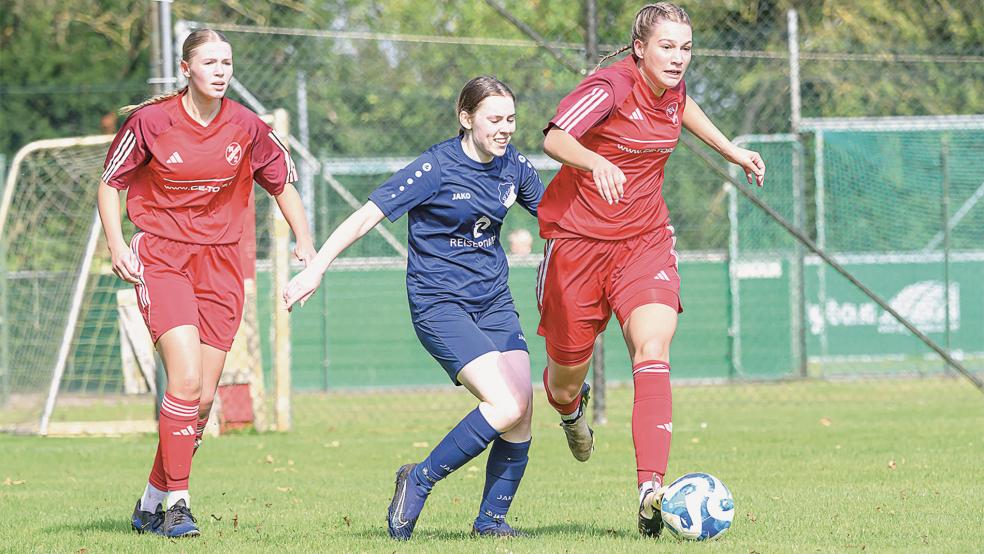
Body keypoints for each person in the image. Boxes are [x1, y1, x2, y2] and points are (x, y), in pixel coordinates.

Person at [535, 2, 765, 538]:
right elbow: (554, 138)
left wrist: (730, 149)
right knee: (566, 376)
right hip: (577, 246)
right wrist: (596, 162)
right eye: (667, 46)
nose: (678, 57)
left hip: (643, 242)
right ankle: (570, 410)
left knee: (653, 347)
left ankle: (650, 490)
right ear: (640, 47)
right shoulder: (609, 87)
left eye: (686, 47)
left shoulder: (672, 88)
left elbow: (681, 107)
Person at [283, 76, 544, 540]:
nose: (505, 129)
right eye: (494, 119)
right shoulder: (435, 168)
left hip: (495, 303)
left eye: (511, 119)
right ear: (466, 119)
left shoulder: (514, 167)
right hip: (440, 303)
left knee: (522, 410)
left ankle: (490, 522)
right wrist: (317, 267)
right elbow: (367, 216)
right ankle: (419, 479)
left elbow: (557, 217)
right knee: (504, 403)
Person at [97, 28, 314, 538]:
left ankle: (151, 501)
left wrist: (305, 242)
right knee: (186, 381)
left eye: (227, 62)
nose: (221, 70)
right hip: (163, 258)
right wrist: (115, 245)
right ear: (186, 69)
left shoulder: (247, 126)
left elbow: (282, 184)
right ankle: (178, 504)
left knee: (202, 400)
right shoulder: (150, 123)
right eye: (210, 62)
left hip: (223, 264)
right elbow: (110, 184)